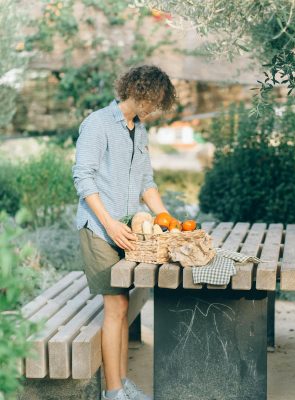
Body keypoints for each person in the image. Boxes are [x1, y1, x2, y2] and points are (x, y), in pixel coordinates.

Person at [72, 64, 177, 400]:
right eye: (150, 100)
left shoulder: (139, 130)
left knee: (122, 308)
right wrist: (109, 223)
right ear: (135, 90)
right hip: (100, 230)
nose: (153, 108)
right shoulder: (97, 124)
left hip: (128, 231)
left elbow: (146, 183)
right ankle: (114, 392)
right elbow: (83, 179)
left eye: (158, 103)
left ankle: (121, 383)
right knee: (116, 306)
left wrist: (167, 220)